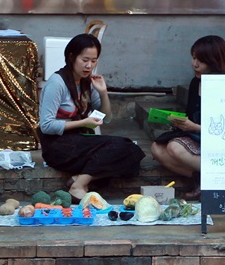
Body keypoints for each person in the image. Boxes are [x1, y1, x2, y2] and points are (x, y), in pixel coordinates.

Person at [38, 33, 146, 203]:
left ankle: (78, 179)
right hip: (58, 146)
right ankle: (78, 186)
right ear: (71, 57)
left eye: (94, 61)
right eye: (85, 60)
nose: (89, 66)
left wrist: (103, 93)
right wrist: (83, 122)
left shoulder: (87, 82)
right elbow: (46, 125)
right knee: (119, 147)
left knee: (132, 153)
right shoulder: (57, 83)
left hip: (80, 141)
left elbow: (106, 118)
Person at [150, 35, 225, 200]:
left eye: (201, 60)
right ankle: (202, 179)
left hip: (220, 141)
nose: (194, 64)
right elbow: (191, 115)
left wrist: (194, 127)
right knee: (157, 148)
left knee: (175, 148)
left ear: (215, 61)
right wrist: (179, 121)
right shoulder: (195, 83)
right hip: (197, 136)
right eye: (194, 57)